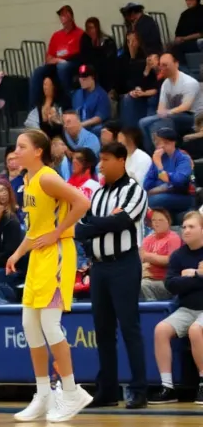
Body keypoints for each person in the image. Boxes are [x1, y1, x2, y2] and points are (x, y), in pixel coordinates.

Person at [6, 130, 93, 422]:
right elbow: (34, 230)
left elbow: (82, 202)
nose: (16, 152)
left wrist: (58, 232)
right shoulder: (29, 181)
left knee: (49, 324)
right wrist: (17, 254)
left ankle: (71, 391)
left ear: (38, 152)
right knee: (29, 323)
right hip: (38, 257)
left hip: (58, 253)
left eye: (21, 147)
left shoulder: (47, 177)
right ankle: (43, 393)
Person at [74, 142, 149, 409]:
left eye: (106, 160)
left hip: (124, 264)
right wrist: (96, 225)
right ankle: (107, 390)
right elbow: (82, 229)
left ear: (121, 160)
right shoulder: (99, 194)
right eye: (100, 161)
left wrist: (93, 225)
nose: (101, 165)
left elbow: (122, 222)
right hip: (99, 266)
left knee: (129, 327)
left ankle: (139, 389)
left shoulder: (135, 190)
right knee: (103, 330)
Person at [148, 211, 203, 405]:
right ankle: (167, 387)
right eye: (184, 227)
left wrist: (190, 275)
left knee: (196, 330)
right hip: (186, 308)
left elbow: (180, 282)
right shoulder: (178, 255)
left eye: (191, 227)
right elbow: (171, 285)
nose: (186, 231)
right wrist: (199, 275)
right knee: (161, 330)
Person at [139, 52, 202, 148]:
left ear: (176, 64)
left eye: (165, 65)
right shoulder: (165, 84)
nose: (162, 68)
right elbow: (161, 107)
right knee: (142, 122)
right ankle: (153, 154)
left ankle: (166, 154)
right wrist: (162, 113)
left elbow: (186, 106)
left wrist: (166, 113)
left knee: (164, 120)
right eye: (161, 65)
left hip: (193, 117)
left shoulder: (189, 82)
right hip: (173, 114)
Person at [28, 6, 85, 109]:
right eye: (61, 15)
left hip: (73, 62)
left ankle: (68, 102)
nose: (63, 17)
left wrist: (63, 62)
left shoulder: (80, 34)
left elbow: (83, 54)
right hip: (57, 62)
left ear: (71, 16)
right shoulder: (56, 35)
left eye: (66, 14)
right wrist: (58, 60)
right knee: (38, 72)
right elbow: (49, 58)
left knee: (63, 67)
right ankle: (34, 108)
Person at [143, 127, 194, 214]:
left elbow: (179, 181)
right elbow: (147, 184)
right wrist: (162, 185)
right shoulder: (159, 158)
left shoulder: (183, 158)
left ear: (173, 142)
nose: (160, 146)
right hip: (163, 194)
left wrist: (159, 166)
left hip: (183, 196)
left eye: (165, 143)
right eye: (158, 143)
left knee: (152, 201)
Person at [118, 32, 160, 129]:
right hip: (138, 93)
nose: (131, 44)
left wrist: (142, 92)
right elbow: (131, 81)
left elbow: (156, 87)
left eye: (133, 41)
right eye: (128, 41)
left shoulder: (147, 58)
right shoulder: (123, 59)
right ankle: (128, 133)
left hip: (151, 96)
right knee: (127, 98)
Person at [140, 208, 182, 301]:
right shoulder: (148, 239)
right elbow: (141, 260)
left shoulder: (173, 238)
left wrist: (148, 256)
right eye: (154, 220)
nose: (157, 223)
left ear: (168, 221)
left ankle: (152, 309)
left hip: (165, 282)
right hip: (147, 278)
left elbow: (170, 260)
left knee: (143, 285)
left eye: (160, 220)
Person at [72, 66, 111, 136]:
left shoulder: (101, 94)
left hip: (93, 127)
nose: (82, 79)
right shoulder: (77, 93)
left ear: (92, 77)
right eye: (80, 77)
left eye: (85, 77)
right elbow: (74, 112)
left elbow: (99, 118)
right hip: (79, 126)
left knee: (97, 129)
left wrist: (81, 125)